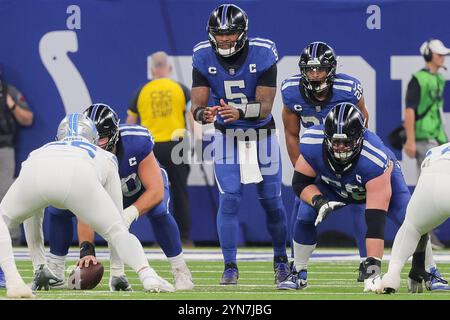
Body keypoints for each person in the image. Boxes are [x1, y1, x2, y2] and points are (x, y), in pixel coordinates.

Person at [277, 103, 448, 292]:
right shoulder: (312, 143)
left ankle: (431, 271)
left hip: (373, 185)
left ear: (359, 139)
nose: (340, 148)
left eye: (346, 142)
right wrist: (319, 201)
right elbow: (300, 182)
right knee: (305, 211)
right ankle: (298, 271)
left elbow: (375, 223)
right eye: (335, 142)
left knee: (414, 220)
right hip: (332, 185)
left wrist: (372, 269)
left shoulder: (373, 159)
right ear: (326, 138)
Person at [0, 112, 175, 293]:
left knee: (2, 219)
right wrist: (117, 273)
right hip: (79, 177)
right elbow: (118, 224)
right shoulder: (104, 156)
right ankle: (148, 276)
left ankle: (15, 280)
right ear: (93, 137)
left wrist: (39, 266)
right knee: (117, 231)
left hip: (35, 169)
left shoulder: (39, 150)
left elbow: (33, 216)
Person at [45, 103, 194, 291]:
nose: (94, 144)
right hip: (102, 193)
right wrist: (87, 250)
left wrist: (130, 214)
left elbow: (155, 191)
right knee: (58, 208)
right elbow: (84, 206)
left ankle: (180, 269)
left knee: (159, 211)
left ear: (114, 135)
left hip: (138, 190)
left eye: (100, 139)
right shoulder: (82, 153)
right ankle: (56, 268)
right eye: (91, 138)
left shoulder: (136, 142)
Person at [191, 4, 289, 285]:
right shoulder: (202, 56)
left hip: (261, 134)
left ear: (242, 32)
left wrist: (240, 112)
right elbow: (196, 106)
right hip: (226, 135)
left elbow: (266, 107)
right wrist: (204, 114)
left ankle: (281, 260)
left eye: (230, 33)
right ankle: (230, 265)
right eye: (218, 34)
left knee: (271, 201)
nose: (223, 39)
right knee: (230, 198)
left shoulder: (263, 52)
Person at [281, 41, 370, 281]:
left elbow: (363, 121)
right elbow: (291, 133)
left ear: (331, 69)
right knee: (302, 205)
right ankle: (297, 264)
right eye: (310, 69)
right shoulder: (291, 91)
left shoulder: (348, 88)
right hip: (314, 157)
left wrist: (350, 156)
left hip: (346, 155)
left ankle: (367, 261)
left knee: (361, 204)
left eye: (320, 68)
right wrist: (301, 166)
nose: (315, 74)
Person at [127, 51, 194, 246]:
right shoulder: (180, 88)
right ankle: (184, 237)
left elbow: (130, 123)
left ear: (152, 70)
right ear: (169, 68)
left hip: (151, 147)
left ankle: (161, 238)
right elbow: (192, 119)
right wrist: (198, 141)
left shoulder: (141, 91)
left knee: (155, 192)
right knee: (180, 192)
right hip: (177, 144)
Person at [379, 142, 450, 293]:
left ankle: (392, 275)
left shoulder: (438, 149)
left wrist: (417, 268)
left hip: (429, 175)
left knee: (412, 227)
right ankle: (430, 273)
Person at [403, 39, 450, 250]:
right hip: (424, 139)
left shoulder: (438, 78)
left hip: (438, 139)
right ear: (430, 55)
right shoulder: (418, 79)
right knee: (428, 189)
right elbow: (410, 110)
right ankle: (425, 237)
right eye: (439, 54)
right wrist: (411, 139)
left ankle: (427, 236)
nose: (443, 58)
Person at [0, 69, 34, 287]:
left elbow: (28, 118)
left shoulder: (7, 91)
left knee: (5, 196)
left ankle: (9, 240)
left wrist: (11, 104)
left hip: (4, 148)